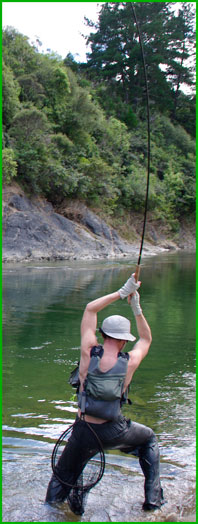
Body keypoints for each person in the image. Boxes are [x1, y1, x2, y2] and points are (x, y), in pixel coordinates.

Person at [45, 273, 164, 514]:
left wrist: (121, 292)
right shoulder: (130, 360)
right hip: (114, 430)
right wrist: (135, 306)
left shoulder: (88, 351)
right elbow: (146, 338)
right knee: (149, 438)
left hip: (83, 431)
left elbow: (90, 309)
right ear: (123, 341)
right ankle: (153, 503)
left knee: (61, 479)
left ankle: (49, 510)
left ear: (103, 334)